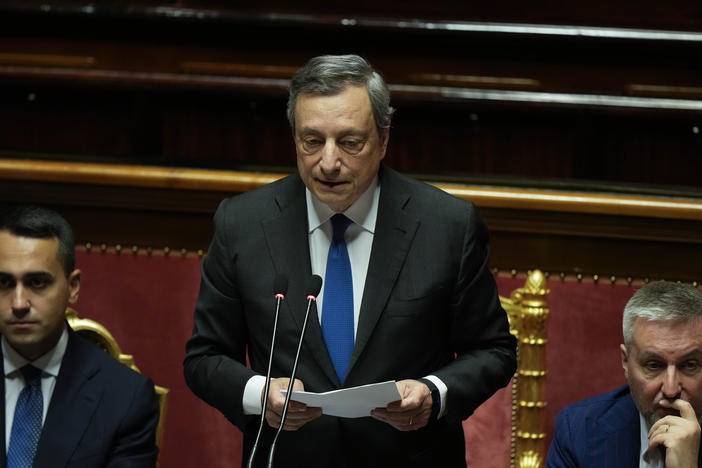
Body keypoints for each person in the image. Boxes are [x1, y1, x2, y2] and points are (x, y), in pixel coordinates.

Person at [184, 54, 516, 468]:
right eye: (312, 141)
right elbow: (205, 357)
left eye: (349, 142)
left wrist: (433, 392)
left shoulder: (446, 226)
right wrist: (258, 393)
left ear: (383, 139)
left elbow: (494, 350)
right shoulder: (243, 224)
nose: (328, 161)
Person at [0, 205, 159, 467]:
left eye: (37, 282)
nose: (18, 303)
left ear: (73, 287)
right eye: (4, 283)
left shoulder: (124, 397)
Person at [546, 281, 702, 467]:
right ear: (626, 361)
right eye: (653, 365)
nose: (670, 390)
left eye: (690, 365)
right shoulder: (579, 431)